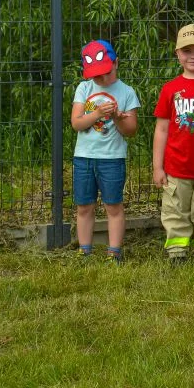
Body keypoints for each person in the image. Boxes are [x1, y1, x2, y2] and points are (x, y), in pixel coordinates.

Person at [152, 25, 194, 264]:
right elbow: (161, 130)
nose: (193, 55)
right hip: (176, 166)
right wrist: (157, 167)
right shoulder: (170, 89)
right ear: (177, 53)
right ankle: (177, 252)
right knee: (175, 212)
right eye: (187, 50)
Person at [70, 40, 140, 264]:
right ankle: (84, 250)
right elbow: (77, 123)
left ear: (116, 63)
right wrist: (98, 113)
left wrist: (119, 119)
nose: (101, 79)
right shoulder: (84, 88)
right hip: (84, 157)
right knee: (84, 205)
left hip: (112, 159)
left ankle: (114, 252)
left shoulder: (127, 92)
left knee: (113, 205)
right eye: (96, 75)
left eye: (105, 73)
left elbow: (130, 131)